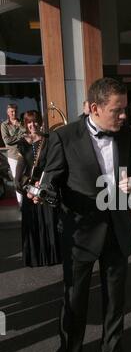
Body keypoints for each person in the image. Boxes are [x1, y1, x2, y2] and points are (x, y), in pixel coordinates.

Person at [29, 78, 131, 352]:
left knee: (115, 300)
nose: (123, 117)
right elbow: (50, 180)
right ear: (94, 108)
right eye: (116, 111)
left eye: (124, 110)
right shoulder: (63, 137)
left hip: (118, 229)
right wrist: (46, 192)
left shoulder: (127, 136)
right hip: (80, 234)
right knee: (74, 302)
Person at [15, 110, 61, 267]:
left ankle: (52, 256)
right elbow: (20, 169)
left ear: (40, 122)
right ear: (25, 124)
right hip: (30, 189)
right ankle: (36, 258)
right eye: (29, 122)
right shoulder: (22, 143)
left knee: (49, 221)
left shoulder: (49, 140)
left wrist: (46, 183)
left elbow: (53, 163)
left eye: (34, 121)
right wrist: (25, 185)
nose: (32, 125)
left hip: (46, 186)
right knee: (33, 223)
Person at [1, 103, 26, 205]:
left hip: (24, 154)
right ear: (8, 112)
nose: (13, 113)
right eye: (11, 111)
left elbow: (26, 132)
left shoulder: (21, 122)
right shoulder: (4, 125)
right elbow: (7, 141)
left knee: (26, 178)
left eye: (15, 111)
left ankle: (27, 203)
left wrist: (19, 125)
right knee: (17, 179)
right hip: (13, 156)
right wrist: (20, 137)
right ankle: (21, 203)